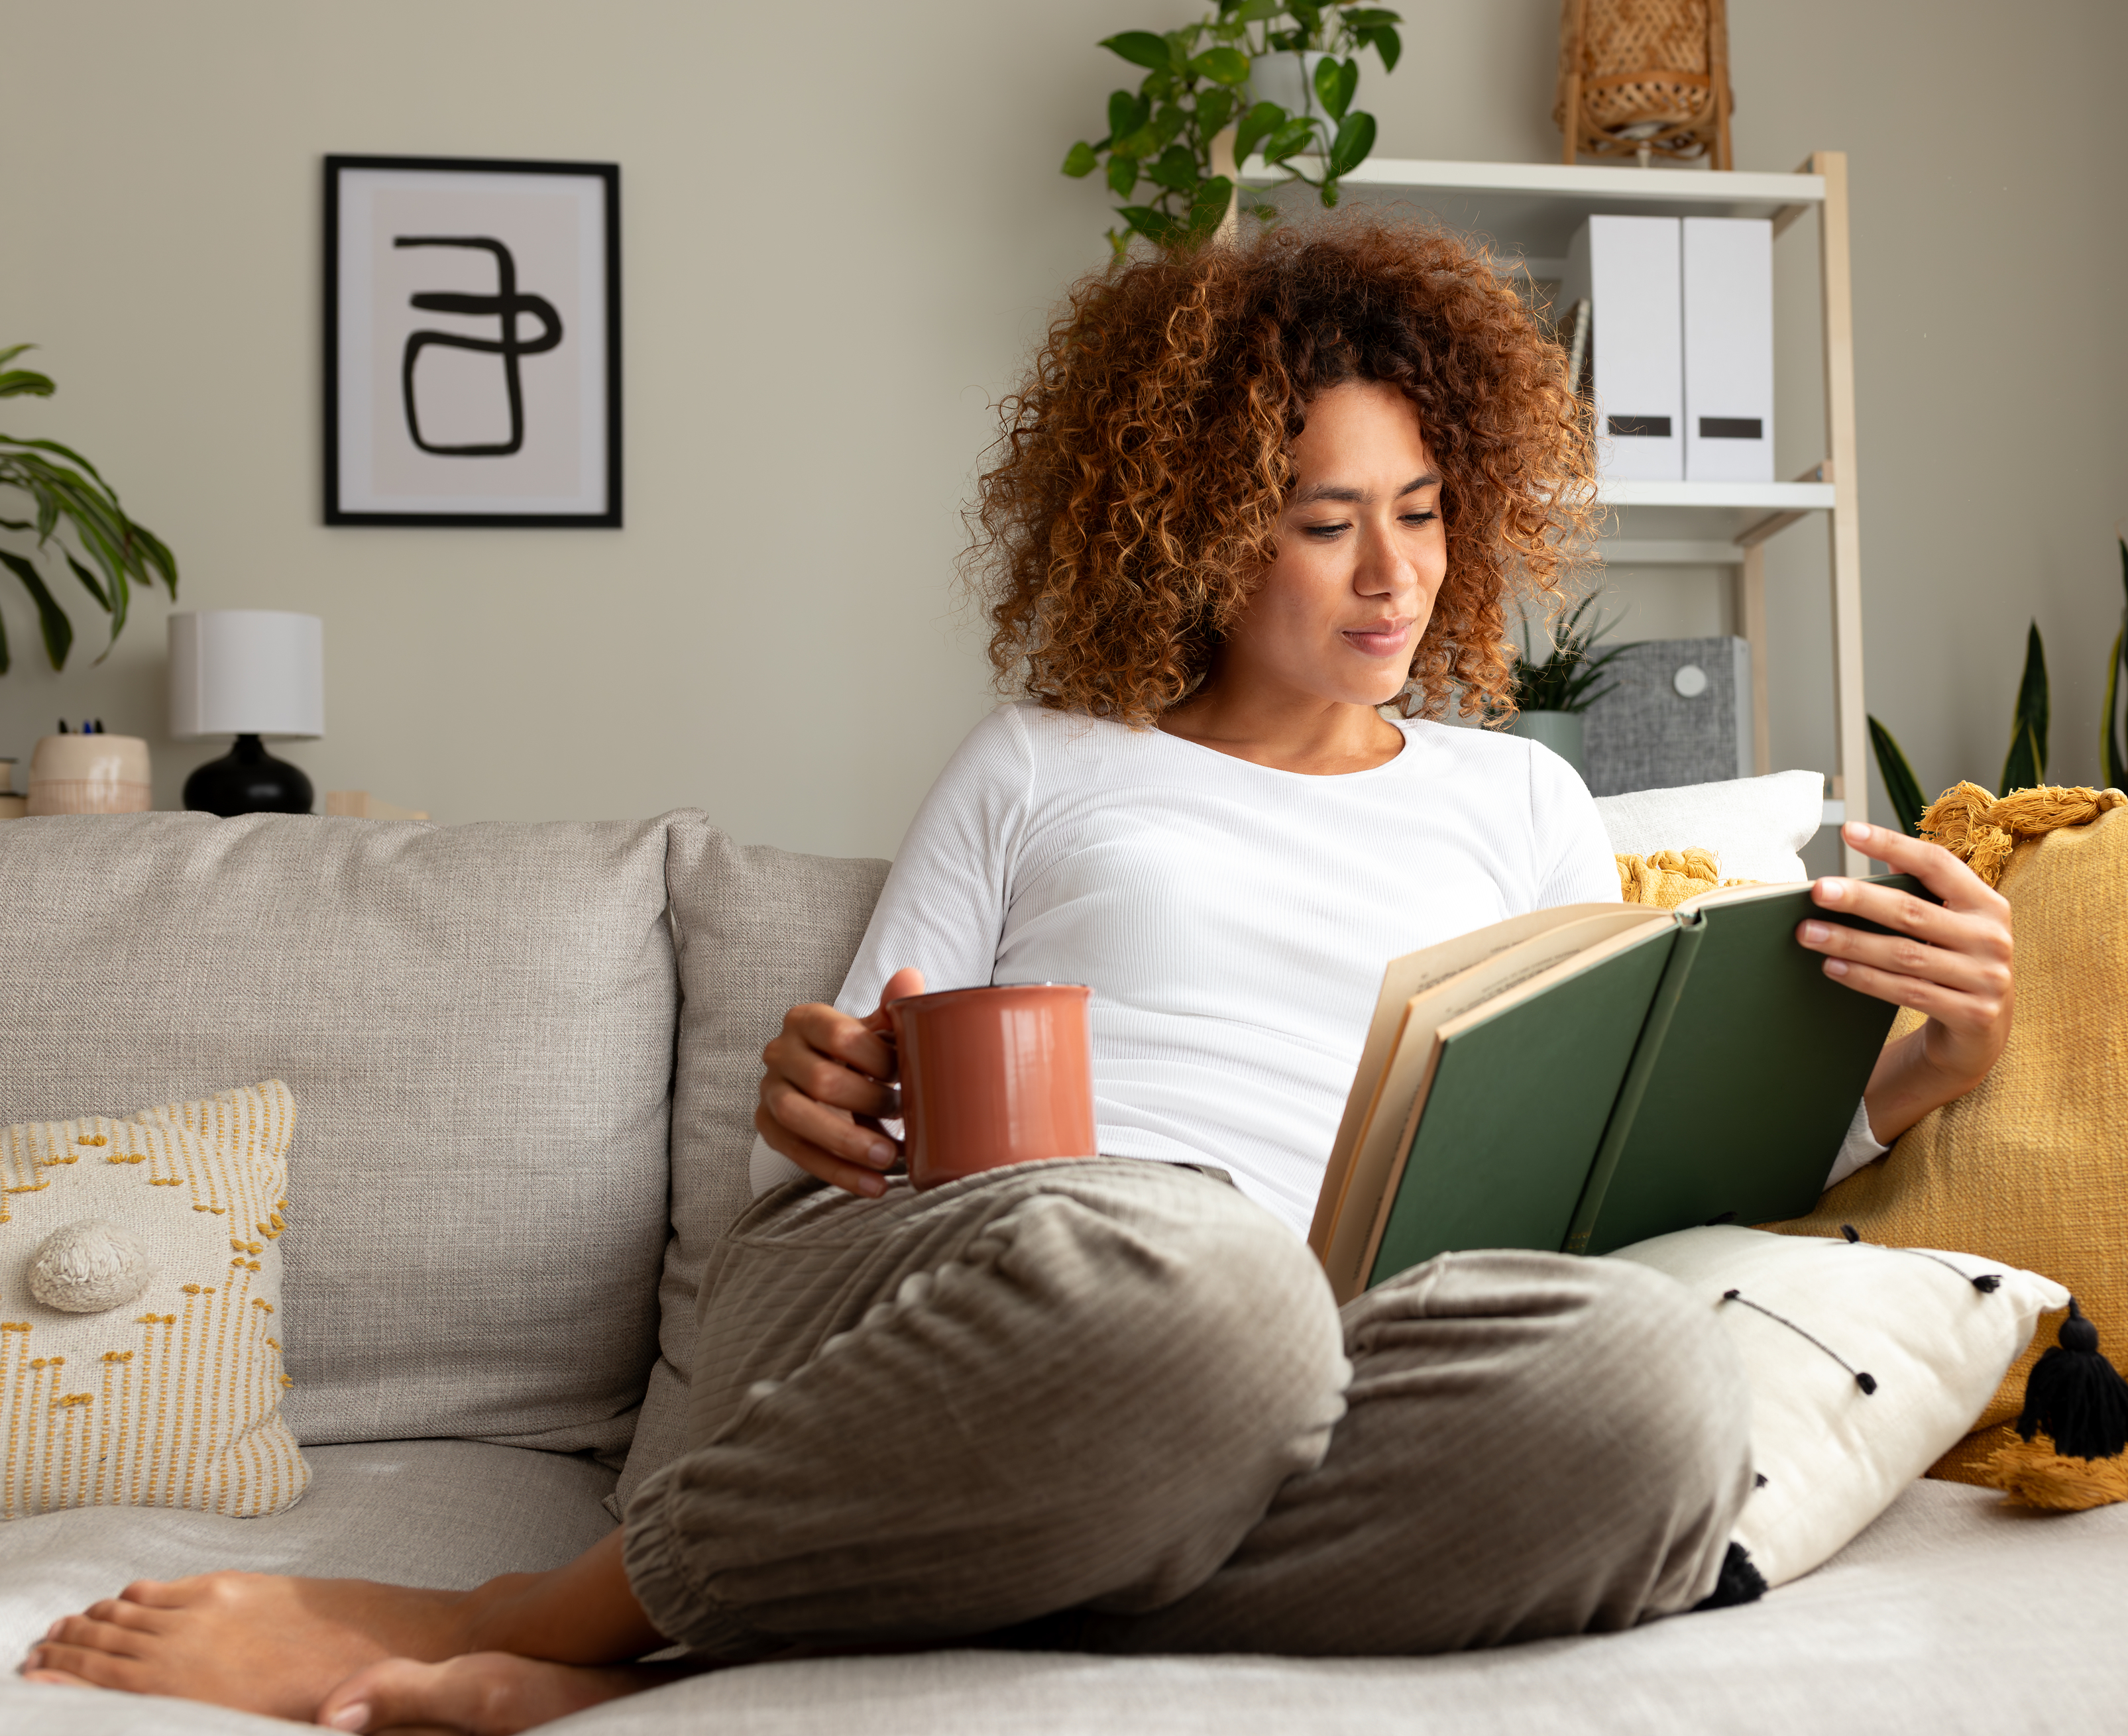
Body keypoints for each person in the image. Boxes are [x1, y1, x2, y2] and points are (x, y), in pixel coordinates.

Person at [21, 219, 2013, 1733]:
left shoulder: (1524, 797)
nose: (1394, 574)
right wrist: (814, 1086)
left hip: (1332, 1357)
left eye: (1421, 515)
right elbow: (849, 1131)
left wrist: (1896, 1076)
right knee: (1214, 1299)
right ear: (1207, 524)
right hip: (1029, 1288)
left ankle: (905, 1593)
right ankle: (536, 1618)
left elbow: (1620, 1187)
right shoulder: (1048, 758)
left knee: (1651, 1390)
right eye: (1327, 521)